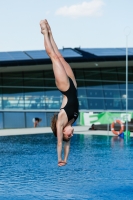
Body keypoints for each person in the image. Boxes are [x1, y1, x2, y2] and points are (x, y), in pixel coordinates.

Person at [40, 19, 79, 167]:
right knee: (61, 57)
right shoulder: (71, 121)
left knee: (54, 58)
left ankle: (44, 33)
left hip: (64, 87)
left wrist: (59, 159)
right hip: (73, 86)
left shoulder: (62, 122)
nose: (72, 134)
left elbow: (59, 144)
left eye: (69, 135)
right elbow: (67, 144)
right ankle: (50, 33)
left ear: (62, 133)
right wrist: (66, 160)